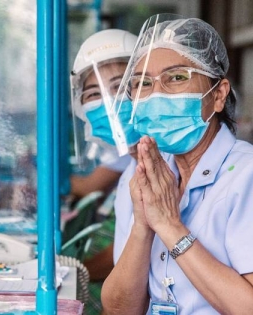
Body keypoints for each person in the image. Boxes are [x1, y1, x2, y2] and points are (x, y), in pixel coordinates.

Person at [101, 15, 253, 315]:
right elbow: (119, 311)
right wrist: (143, 227)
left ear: (219, 95)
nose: (156, 94)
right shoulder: (153, 178)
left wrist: (171, 226)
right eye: (143, 83)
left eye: (177, 78)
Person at [68, 28, 140, 315]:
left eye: (120, 88)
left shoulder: (170, 167)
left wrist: (77, 273)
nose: (109, 103)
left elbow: (122, 260)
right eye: (94, 93)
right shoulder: (132, 169)